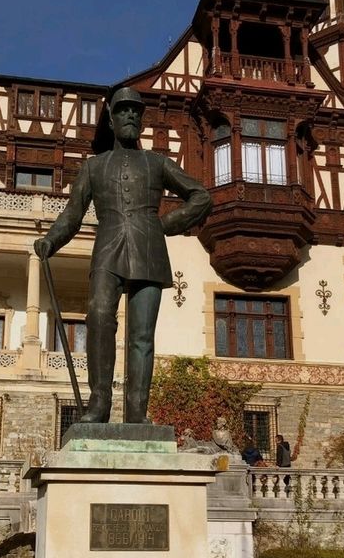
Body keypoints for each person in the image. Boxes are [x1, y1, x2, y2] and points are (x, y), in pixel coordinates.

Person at [34, 86, 211, 423]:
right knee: (99, 315)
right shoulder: (93, 167)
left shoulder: (157, 162)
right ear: (112, 121)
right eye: (124, 111)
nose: (131, 115)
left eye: (136, 111)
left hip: (150, 249)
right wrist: (50, 241)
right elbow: (72, 215)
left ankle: (136, 413)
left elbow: (201, 196)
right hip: (108, 246)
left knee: (142, 336)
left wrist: (165, 224)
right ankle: (99, 403)